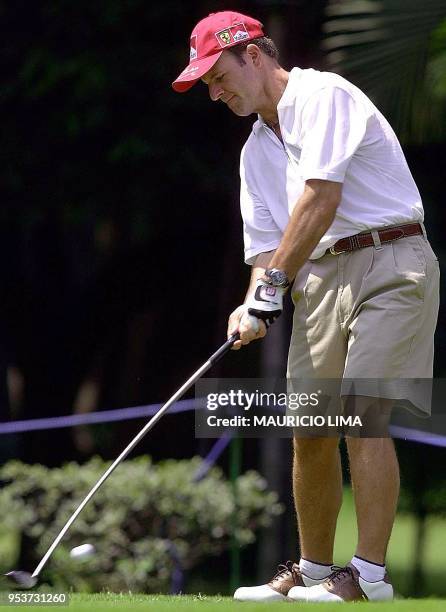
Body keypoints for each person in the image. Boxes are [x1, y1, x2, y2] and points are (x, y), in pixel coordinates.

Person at [172, 10, 439, 603]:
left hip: (390, 260)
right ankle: (316, 572)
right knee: (311, 431)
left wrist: (270, 290)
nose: (216, 92)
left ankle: (368, 578)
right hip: (318, 277)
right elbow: (266, 250)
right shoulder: (253, 154)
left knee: (360, 416)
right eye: (207, 85)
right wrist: (250, 307)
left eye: (219, 75)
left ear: (256, 55)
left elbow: (320, 198)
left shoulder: (325, 95)